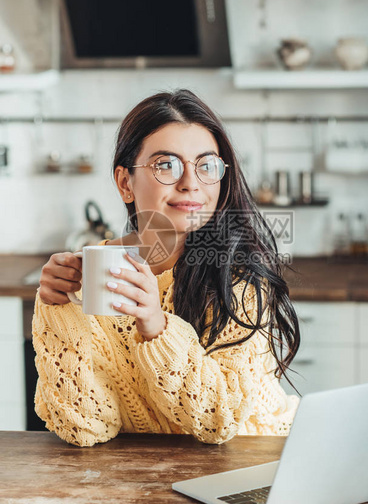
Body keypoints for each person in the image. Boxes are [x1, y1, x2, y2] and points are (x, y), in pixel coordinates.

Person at [33, 89, 301, 447]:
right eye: (167, 165)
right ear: (125, 183)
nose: (191, 182)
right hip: (144, 480)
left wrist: (157, 328)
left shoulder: (238, 277)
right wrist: (56, 310)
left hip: (253, 462)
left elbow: (219, 421)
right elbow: (85, 426)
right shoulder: (91, 276)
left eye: (206, 166)